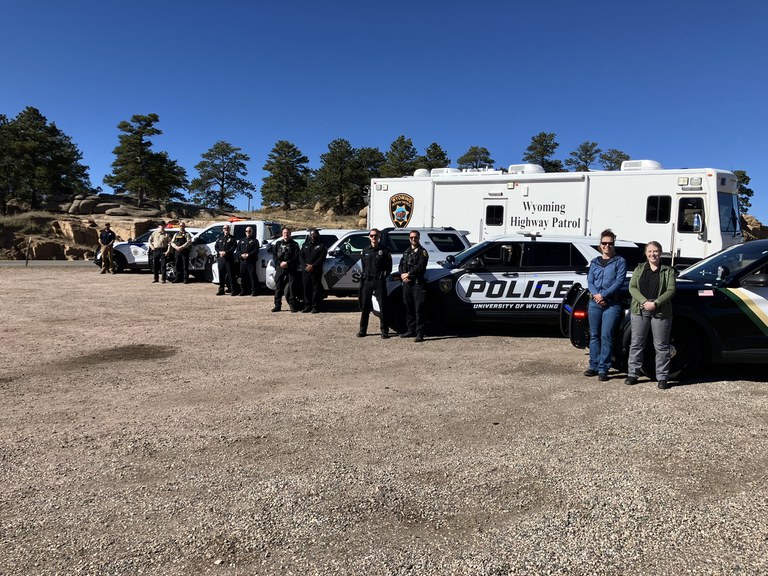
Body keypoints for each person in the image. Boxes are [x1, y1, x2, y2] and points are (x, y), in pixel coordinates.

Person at [625, 241, 677, 390]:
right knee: (636, 343)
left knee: (661, 346)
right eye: (649, 251)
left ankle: (662, 377)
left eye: (655, 251)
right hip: (640, 310)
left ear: (660, 253)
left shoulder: (668, 271)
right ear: (646, 253)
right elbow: (632, 287)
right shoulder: (639, 269)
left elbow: (671, 290)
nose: (652, 254)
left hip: (661, 311)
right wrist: (644, 301)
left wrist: (656, 303)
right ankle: (633, 374)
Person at [585, 229, 627, 381]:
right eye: (604, 243)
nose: (607, 246)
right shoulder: (595, 262)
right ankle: (593, 366)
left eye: (610, 243)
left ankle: (604, 368)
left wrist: (604, 295)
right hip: (595, 303)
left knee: (606, 336)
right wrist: (597, 295)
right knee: (594, 335)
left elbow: (619, 281)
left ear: (614, 244)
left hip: (612, 303)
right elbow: (590, 281)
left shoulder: (619, 261)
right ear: (600, 245)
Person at [358, 228, 393, 338]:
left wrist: (383, 276)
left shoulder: (385, 251)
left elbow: (389, 268)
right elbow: (363, 267)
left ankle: (384, 331)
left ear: (379, 237)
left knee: (383, 306)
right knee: (365, 307)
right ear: (369, 237)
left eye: (376, 236)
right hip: (367, 281)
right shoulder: (365, 251)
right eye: (372, 235)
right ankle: (362, 330)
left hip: (379, 281)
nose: (374, 237)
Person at [398, 230, 429, 342]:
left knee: (419, 308)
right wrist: (402, 275)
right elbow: (401, 265)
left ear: (419, 238)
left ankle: (420, 333)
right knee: (408, 306)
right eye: (411, 237)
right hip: (407, 283)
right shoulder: (406, 252)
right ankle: (410, 330)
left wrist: (409, 274)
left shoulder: (423, 252)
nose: (413, 239)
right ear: (409, 238)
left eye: (415, 237)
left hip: (417, 284)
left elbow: (421, 267)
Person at [272, 226, 301, 312]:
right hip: (280, 267)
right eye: (284, 233)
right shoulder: (278, 244)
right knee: (278, 287)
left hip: (291, 267)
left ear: (290, 234)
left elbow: (296, 256)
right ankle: (277, 305)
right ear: (282, 234)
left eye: (287, 233)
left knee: (292, 287)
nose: (286, 234)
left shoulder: (294, 244)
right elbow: (274, 256)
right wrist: (280, 263)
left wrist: (287, 263)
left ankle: (292, 306)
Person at [300, 229, 327, 313]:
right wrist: (305, 266)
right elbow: (301, 256)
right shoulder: (305, 245)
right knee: (306, 288)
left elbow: (322, 258)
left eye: (314, 235)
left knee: (316, 289)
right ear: (309, 236)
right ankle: (307, 306)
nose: (313, 237)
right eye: (311, 235)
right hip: (306, 271)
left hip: (316, 270)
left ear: (317, 236)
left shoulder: (321, 246)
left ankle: (315, 306)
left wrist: (313, 266)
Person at [215, 224, 239, 296]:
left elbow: (234, 247)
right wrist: (219, 252)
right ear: (223, 230)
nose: (226, 229)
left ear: (229, 229)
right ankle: (221, 290)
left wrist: (226, 252)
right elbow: (216, 247)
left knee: (231, 275)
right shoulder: (220, 238)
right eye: (224, 228)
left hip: (229, 259)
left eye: (227, 228)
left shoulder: (232, 238)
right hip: (221, 259)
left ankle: (233, 290)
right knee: (221, 275)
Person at [237, 226, 260, 296]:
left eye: (249, 231)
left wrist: (248, 254)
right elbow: (238, 250)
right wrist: (241, 255)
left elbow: (256, 250)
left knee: (252, 276)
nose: (248, 232)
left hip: (251, 261)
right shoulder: (241, 241)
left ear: (252, 232)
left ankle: (254, 291)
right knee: (243, 276)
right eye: (247, 231)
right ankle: (243, 290)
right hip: (243, 261)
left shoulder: (255, 241)